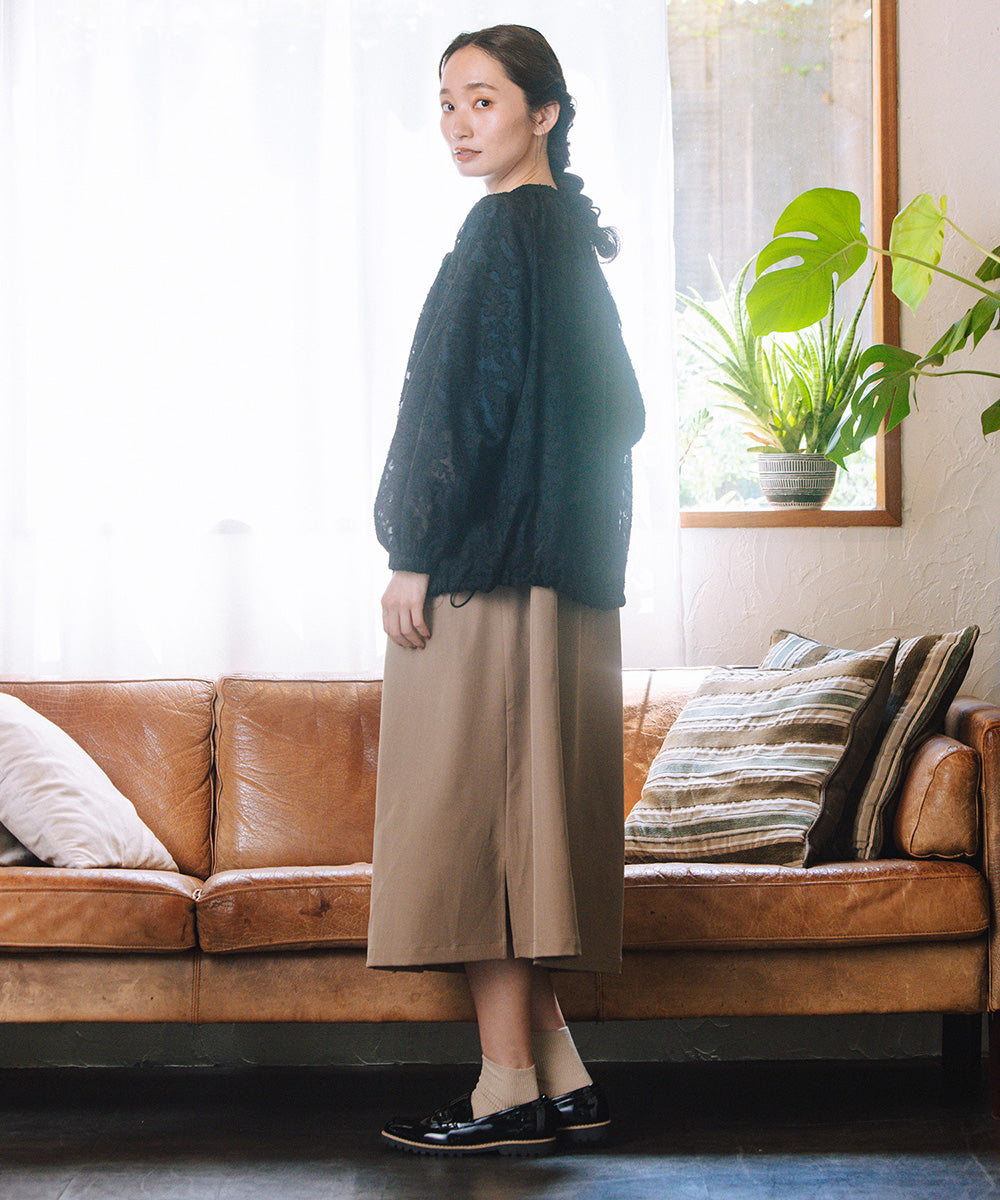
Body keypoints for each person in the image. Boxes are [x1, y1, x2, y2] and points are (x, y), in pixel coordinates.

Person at [367, 24, 645, 1158]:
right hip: (565, 588)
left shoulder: (498, 235)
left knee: (473, 835)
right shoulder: (566, 236)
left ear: (545, 113)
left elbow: (453, 409)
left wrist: (413, 548)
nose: (457, 123)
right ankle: (563, 1077)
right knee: (526, 837)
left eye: (482, 100)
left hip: (484, 580)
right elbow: (622, 413)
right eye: (447, 102)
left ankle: (504, 1090)